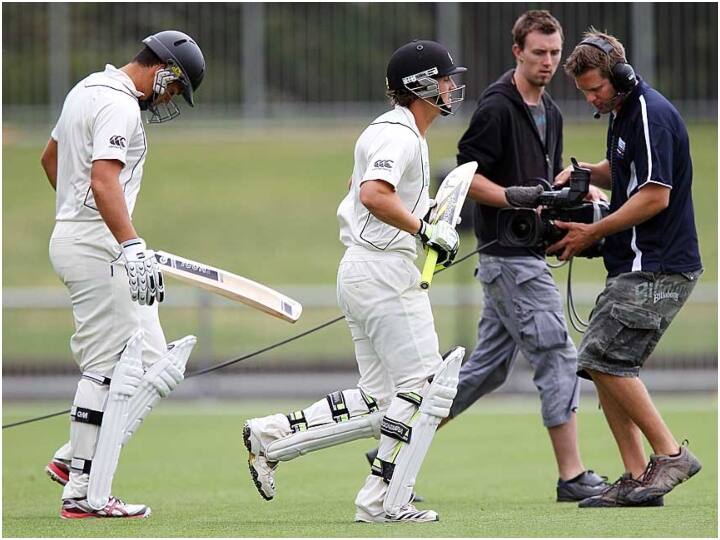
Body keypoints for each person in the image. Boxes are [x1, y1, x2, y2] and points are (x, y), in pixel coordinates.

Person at [366, 10, 607, 503]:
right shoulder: (498, 105)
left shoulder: (554, 113)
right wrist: (515, 197)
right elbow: (466, 177)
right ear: (517, 51)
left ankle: (395, 443)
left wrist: (570, 209)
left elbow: (543, 187)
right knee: (558, 354)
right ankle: (572, 475)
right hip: (507, 257)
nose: (547, 61)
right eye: (538, 52)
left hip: (529, 253)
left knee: (486, 370)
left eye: (554, 53)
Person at [242, 40, 467, 523]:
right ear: (421, 85)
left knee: (379, 400)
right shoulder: (400, 136)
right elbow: (370, 194)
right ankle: (384, 501)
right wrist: (426, 229)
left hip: (369, 267)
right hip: (382, 272)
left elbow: (359, 190)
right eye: (445, 78)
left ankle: (271, 437)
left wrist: (428, 232)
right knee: (427, 390)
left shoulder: (400, 132)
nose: (452, 86)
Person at [40, 30, 206, 519]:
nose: (171, 98)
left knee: (156, 363)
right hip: (97, 247)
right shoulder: (120, 106)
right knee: (111, 366)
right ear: (164, 71)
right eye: (176, 88)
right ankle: (85, 493)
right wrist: (127, 242)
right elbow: (103, 178)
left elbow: (51, 160)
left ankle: (73, 460)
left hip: (86, 237)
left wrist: (80, 213)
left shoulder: (84, 89)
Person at [550, 29, 703, 508]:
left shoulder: (648, 112)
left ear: (620, 75)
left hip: (657, 264)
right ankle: (638, 479)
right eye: (585, 92)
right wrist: (586, 174)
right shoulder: (622, 114)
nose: (593, 98)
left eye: (597, 88)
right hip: (636, 263)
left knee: (603, 358)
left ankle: (671, 454)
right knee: (601, 362)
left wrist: (592, 232)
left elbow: (656, 194)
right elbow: (626, 172)